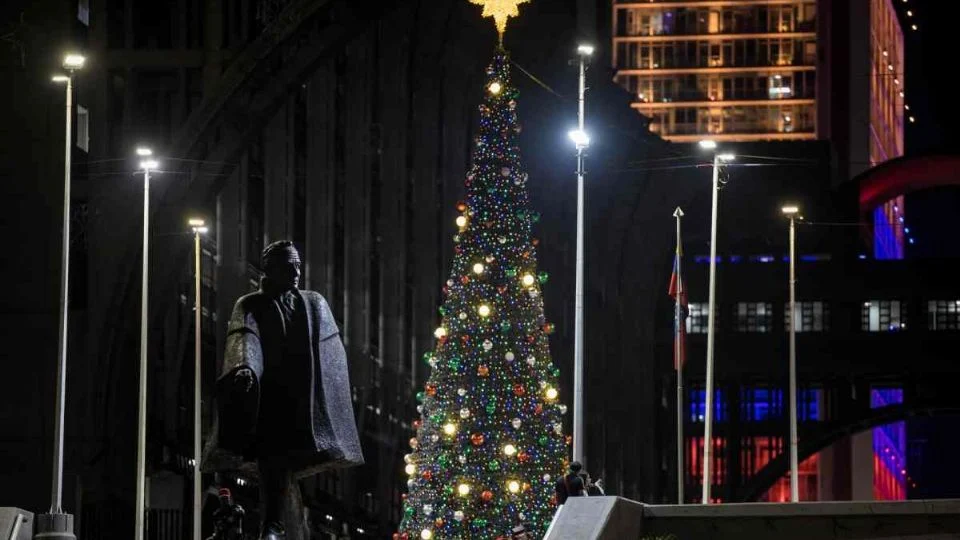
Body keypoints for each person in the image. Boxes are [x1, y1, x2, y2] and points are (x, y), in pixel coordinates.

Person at [203, 241, 364, 540]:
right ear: (270, 268)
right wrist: (246, 370)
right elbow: (246, 338)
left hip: (303, 400)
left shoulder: (313, 302)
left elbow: (330, 349)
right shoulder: (250, 304)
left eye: (298, 265)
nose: (296, 272)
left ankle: (280, 524)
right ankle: (271, 525)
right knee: (271, 457)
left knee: (285, 463)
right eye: (288, 266)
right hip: (268, 398)